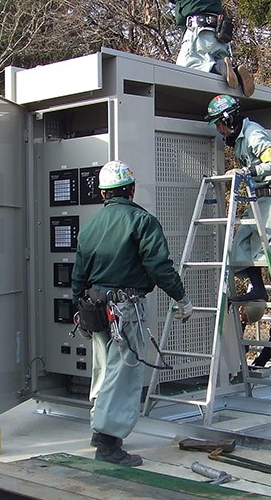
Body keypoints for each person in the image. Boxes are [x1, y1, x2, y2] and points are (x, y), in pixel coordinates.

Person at [71, 160, 192, 467]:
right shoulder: (142, 221)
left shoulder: (90, 227)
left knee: (103, 371)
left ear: (102, 194)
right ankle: (108, 443)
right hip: (125, 308)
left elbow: (78, 275)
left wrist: (78, 309)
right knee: (123, 374)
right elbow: (159, 266)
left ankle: (100, 430)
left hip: (95, 309)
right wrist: (181, 298)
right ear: (132, 190)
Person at [204, 94, 271, 365]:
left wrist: (247, 171)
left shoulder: (253, 134)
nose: (218, 130)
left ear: (229, 119)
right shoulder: (239, 139)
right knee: (239, 248)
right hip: (257, 200)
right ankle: (258, 290)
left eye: (218, 124)